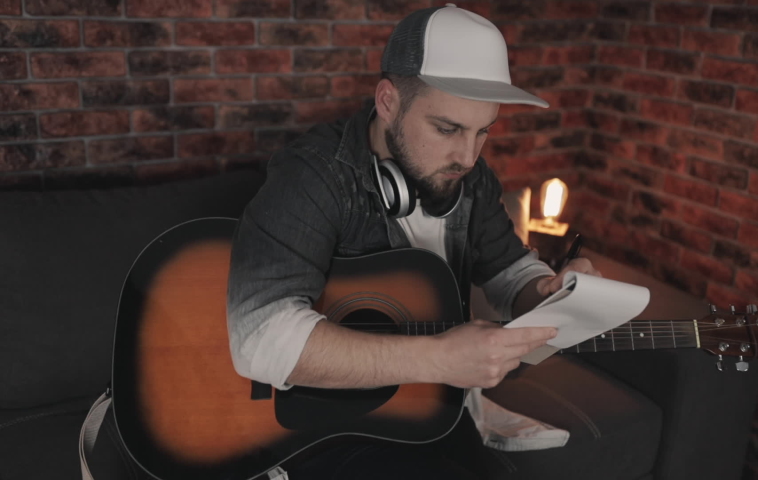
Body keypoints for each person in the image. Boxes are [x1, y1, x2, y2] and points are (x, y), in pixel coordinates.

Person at [227, 4, 600, 479]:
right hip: (323, 431)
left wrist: (551, 290)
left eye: (482, 131)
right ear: (388, 102)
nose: (467, 156)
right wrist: (442, 357)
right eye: (447, 129)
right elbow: (258, 337)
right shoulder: (314, 176)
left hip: (425, 416)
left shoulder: (474, 179)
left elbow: (511, 273)